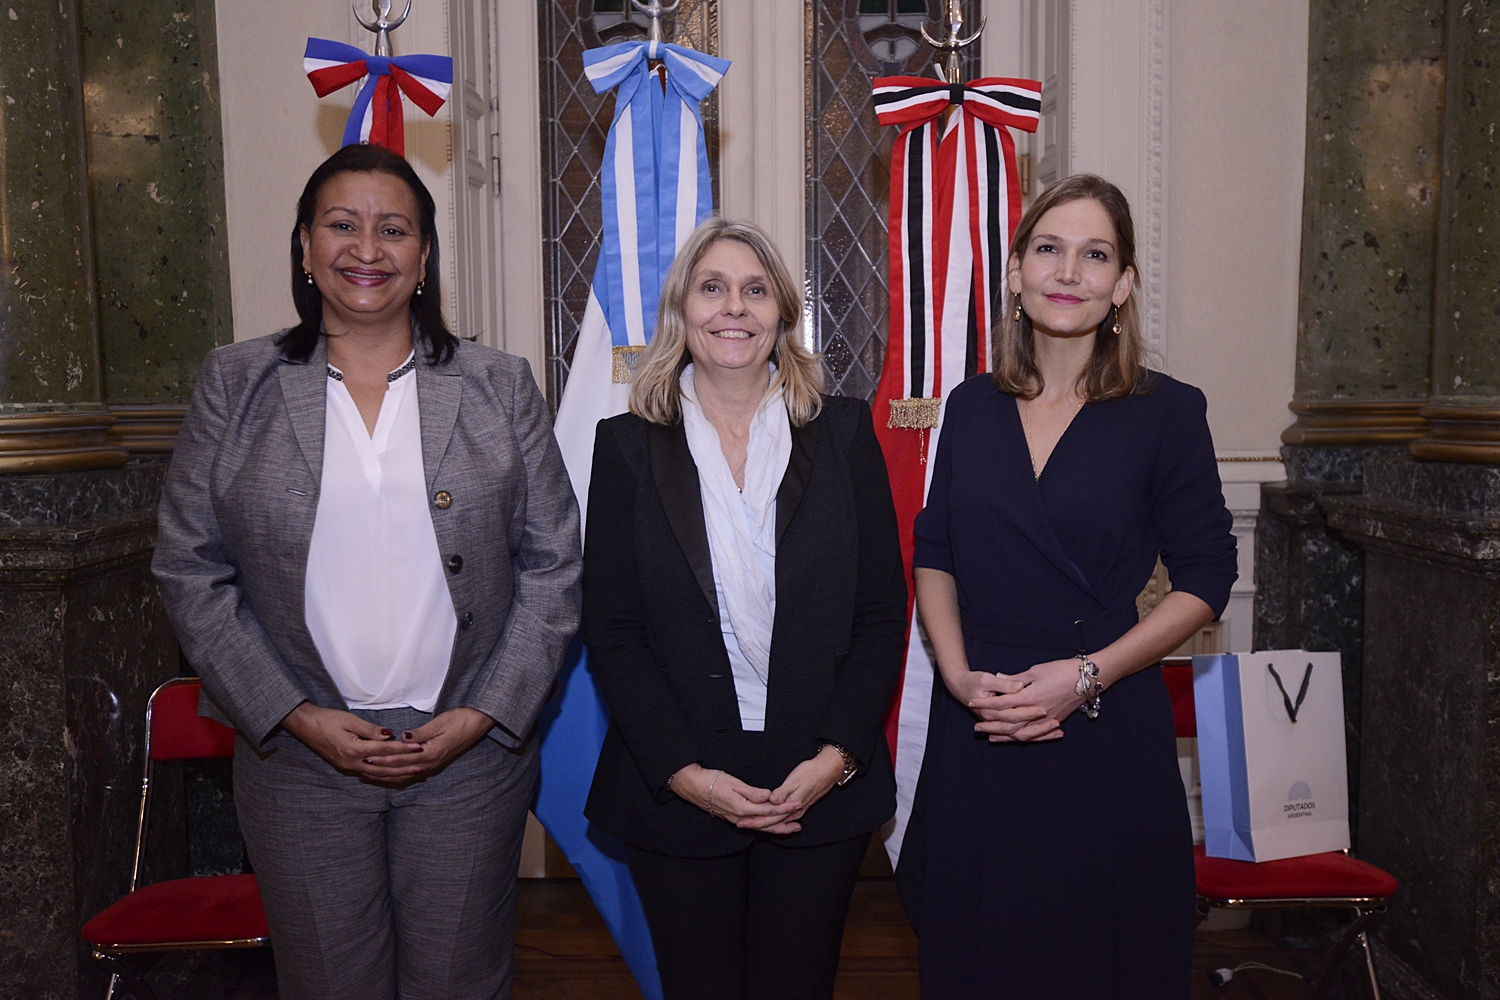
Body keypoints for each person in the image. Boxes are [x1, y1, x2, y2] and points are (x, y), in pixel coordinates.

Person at [151, 143, 581, 1000]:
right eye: (341, 226)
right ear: (305, 247)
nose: (367, 249)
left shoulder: (500, 386)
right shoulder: (237, 383)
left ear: (423, 259)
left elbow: (554, 566)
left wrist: (480, 716)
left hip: (467, 758)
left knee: (459, 980)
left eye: (394, 230)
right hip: (299, 763)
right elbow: (189, 568)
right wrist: (297, 716)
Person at [907, 174, 1237, 998]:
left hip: (1101, 718)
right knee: (974, 950)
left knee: (1101, 957)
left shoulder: (1168, 411)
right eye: (1048, 249)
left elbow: (1207, 578)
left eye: (1095, 255)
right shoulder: (972, 406)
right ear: (1016, 271)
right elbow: (935, 550)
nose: (1068, 271)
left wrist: (1085, 677)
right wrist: (955, 679)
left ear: (1122, 284)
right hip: (981, 717)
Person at [581, 217, 909, 1000]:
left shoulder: (845, 432)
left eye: (756, 290)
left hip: (816, 780)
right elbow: (615, 631)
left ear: (783, 312)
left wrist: (835, 761)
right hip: (684, 779)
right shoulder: (625, 445)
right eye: (713, 288)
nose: (735, 308)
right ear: (682, 311)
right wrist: (688, 776)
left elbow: (879, 614)